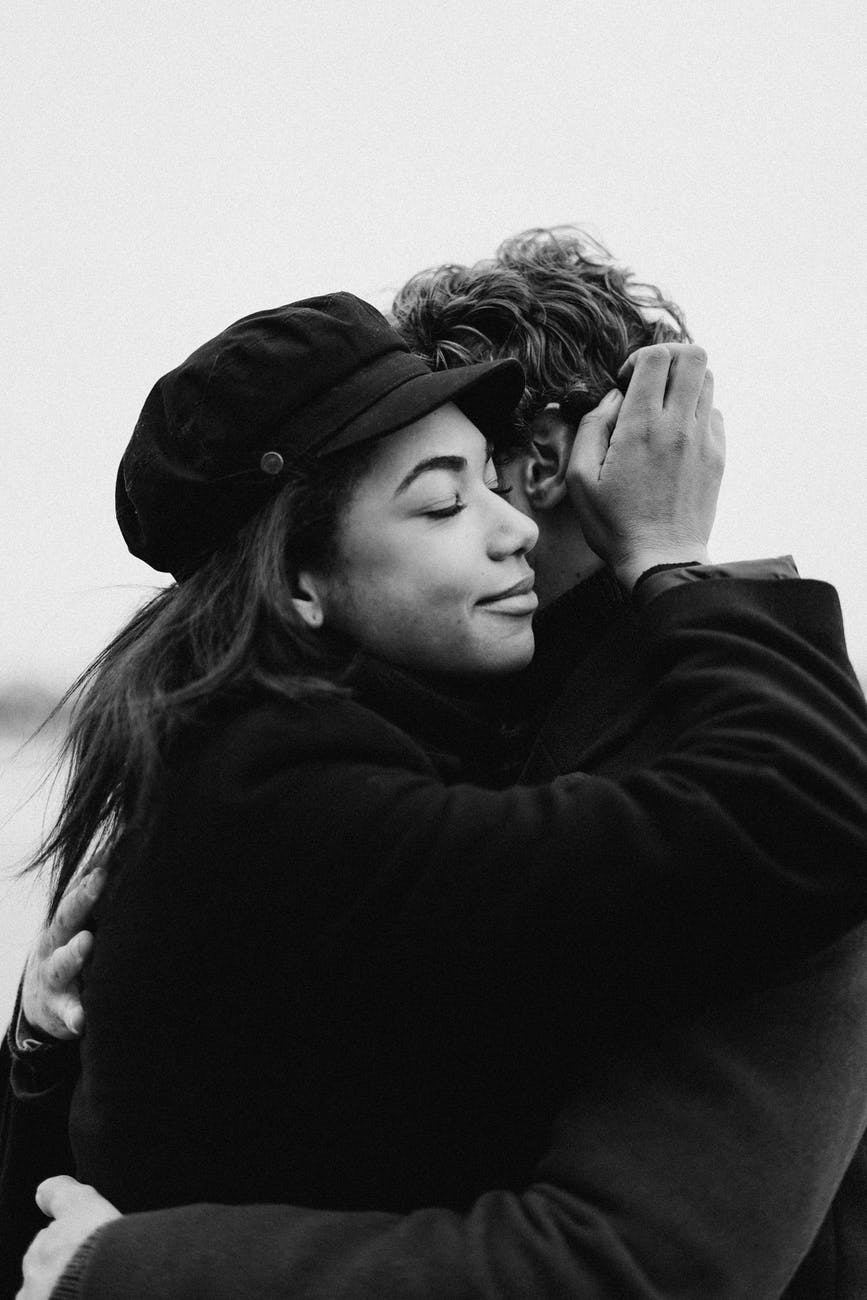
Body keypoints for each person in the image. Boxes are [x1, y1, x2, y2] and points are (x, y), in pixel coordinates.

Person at [4, 262, 867, 1300]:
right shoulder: (310, 772)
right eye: (443, 499)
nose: (498, 524)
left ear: (551, 460)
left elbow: (640, 1266)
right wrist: (51, 1062)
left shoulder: (732, 779)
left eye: (478, 475)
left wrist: (127, 1262)